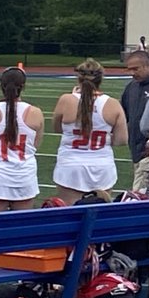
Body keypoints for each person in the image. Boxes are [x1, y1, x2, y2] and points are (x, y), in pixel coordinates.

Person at [53, 59, 128, 204]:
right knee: (100, 212)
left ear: (79, 78)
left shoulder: (66, 100)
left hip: (71, 166)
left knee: (70, 213)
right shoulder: (112, 104)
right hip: (102, 165)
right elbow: (121, 140)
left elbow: (57, 128)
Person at [0, 67, 44, 211]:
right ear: (23, 86)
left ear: (1, 85)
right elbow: (35, 145)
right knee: (22, 227)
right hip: (24, 177)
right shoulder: (35, 112)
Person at [121, 50, 149, 191]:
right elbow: (124, 115)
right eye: (130, 69)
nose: (132, 73)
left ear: (147, 65)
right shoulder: (131, 87)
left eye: (136, 68)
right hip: (136, 150)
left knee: (139, 196)